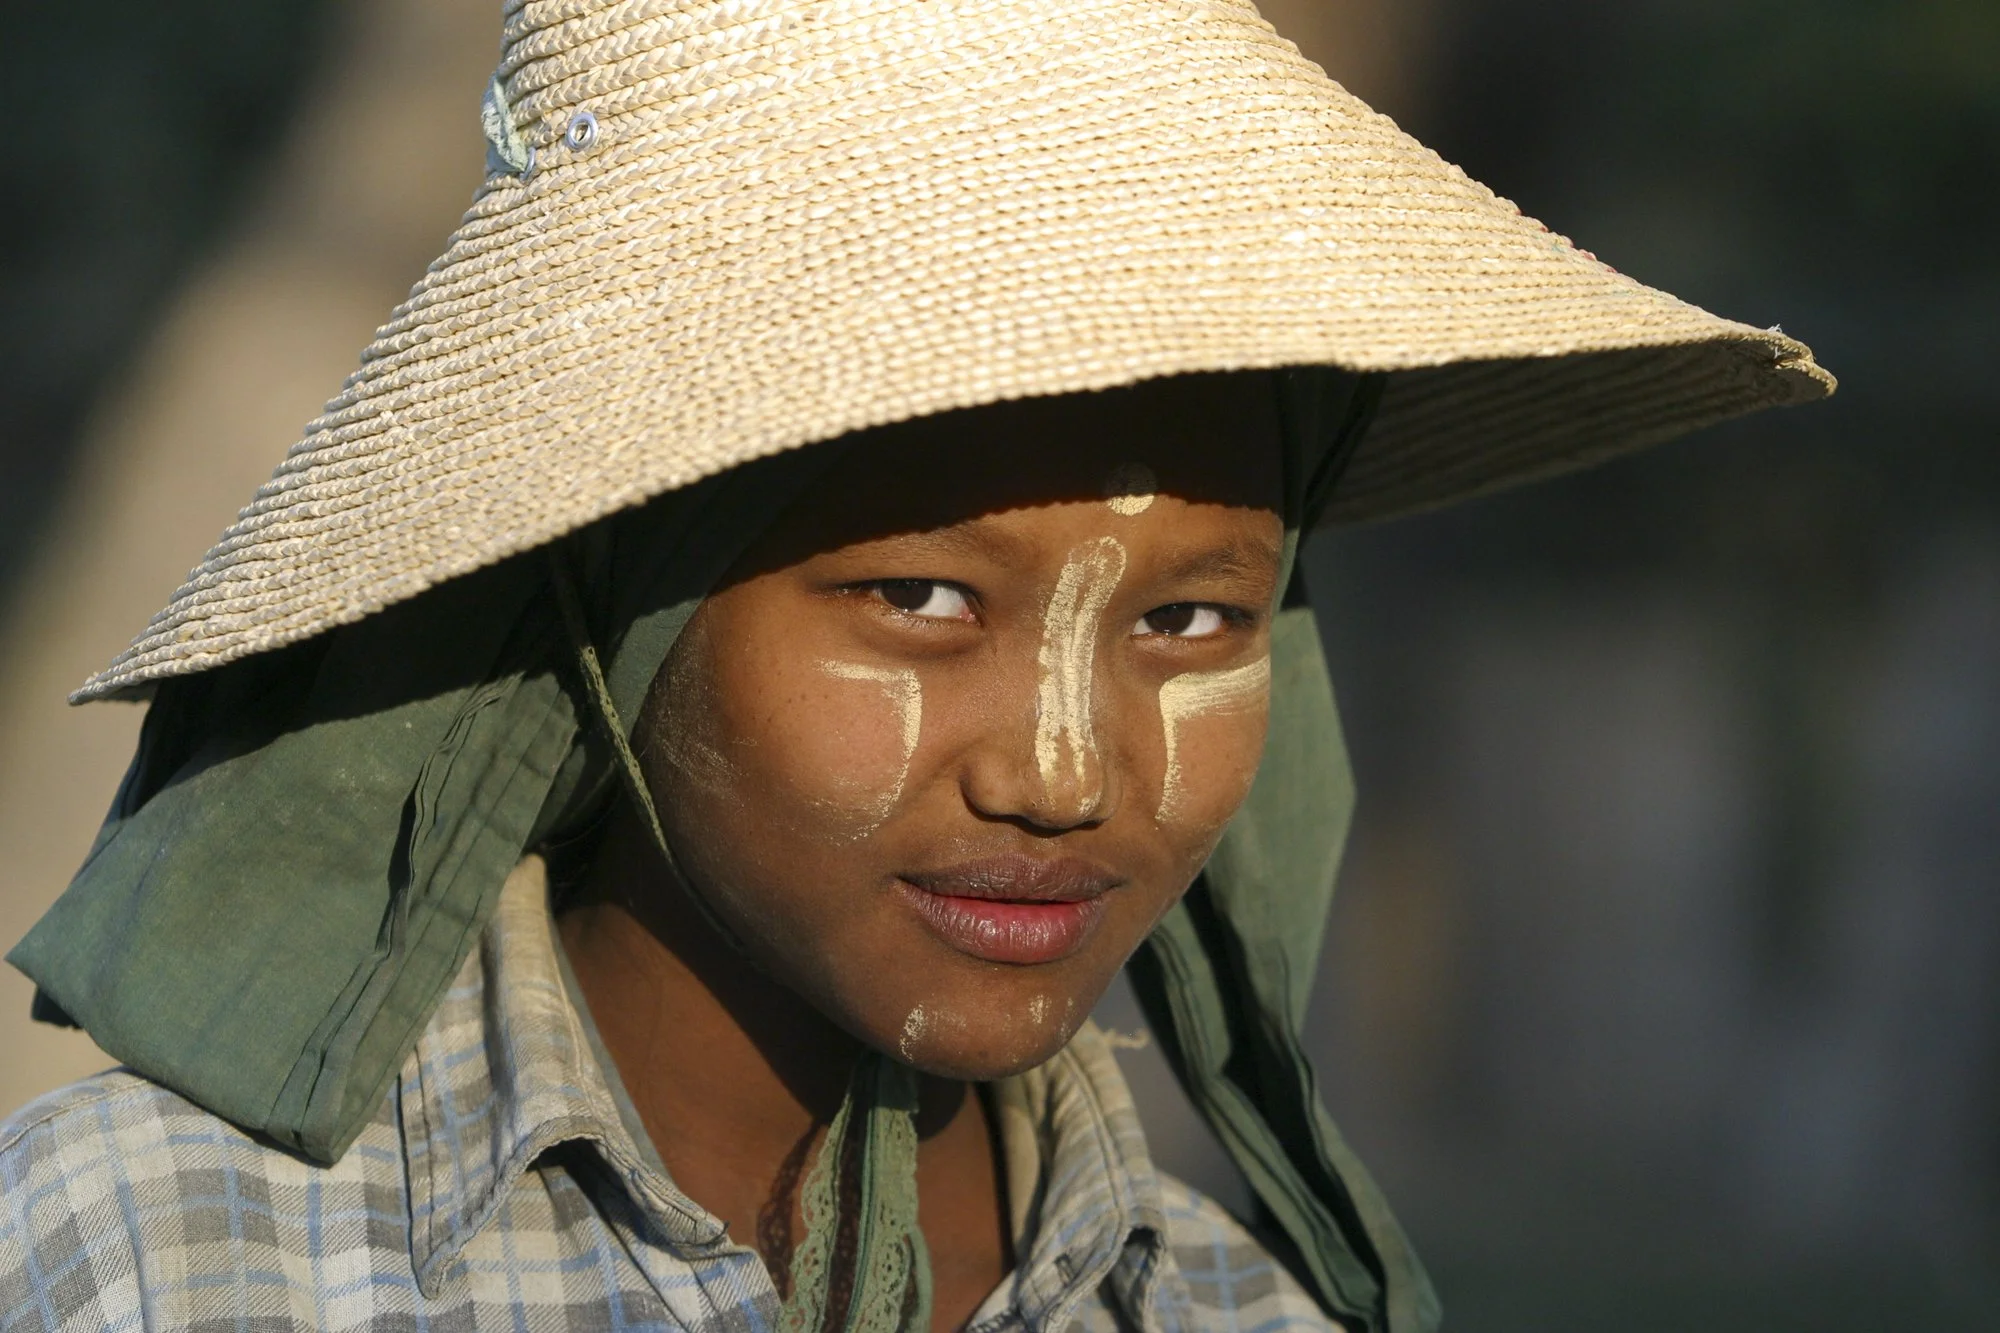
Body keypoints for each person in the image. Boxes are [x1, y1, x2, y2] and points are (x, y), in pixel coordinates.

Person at [0, 3, 1830, 1331]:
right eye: (921, 602)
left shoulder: (1223, 1312)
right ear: (608, 603)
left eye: (1190, 620)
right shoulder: (172, 1258)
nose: (1066, 773)